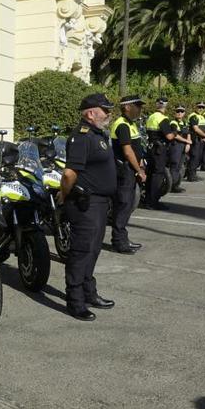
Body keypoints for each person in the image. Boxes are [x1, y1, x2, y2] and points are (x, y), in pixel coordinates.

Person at [58, 93, 117, 321]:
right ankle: (75, 301)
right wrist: (64, 194)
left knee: (93, 250)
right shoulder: (82, 136)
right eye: (105, 110)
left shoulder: (97, 134)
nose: (109, 115)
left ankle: (89, 292)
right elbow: (69, 173)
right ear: (91, 112)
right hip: (86, 204)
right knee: (81, 252)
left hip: (100, 204)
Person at [109, 95, 146, 254]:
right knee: (123, 205)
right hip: (124, 171)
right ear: (127, 107)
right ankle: (118, 242)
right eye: (137, 106)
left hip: (130, 169)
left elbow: (136, 148)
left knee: (128, 205)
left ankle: (123, 238)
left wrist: (141, 163)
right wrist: (138, 169)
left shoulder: (131, 124)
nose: (140, 109)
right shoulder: (122, 125)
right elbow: (127, 151)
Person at [141, 97, 177, 210]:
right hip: (159, 150)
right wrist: (175, 130)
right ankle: (153, 202)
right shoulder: (163, 118)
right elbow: (169, 136)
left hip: (151, 148)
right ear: (166, 106)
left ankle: (147, 200)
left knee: (151, 174)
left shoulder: (151, 117)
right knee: (158, 175)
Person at [167, 105, 192, 194]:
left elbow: (188, 133)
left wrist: (188, 143)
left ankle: (176, 184)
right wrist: (187, 141)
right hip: (175, 146)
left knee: (179, 166)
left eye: (181, 111)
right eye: (177, 111)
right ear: (174, 112)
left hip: (183, 146)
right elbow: (175, 135)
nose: (179, 113)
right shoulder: (173, 123)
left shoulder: (184, 122)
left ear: (184, 113)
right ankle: (172, 186)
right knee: (175, 166)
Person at [185, 102, 205, 182]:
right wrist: (204, 135)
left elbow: (203, 127)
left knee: (197, 158)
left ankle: (194, 174)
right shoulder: (193, 116)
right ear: (195, 107)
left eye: (202, 107)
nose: (201, 109)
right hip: (195, 140)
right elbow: (195, 129)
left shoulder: (201, 116)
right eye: (199, 107)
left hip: (200, 140)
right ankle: (191, 176)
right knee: (194, 157)